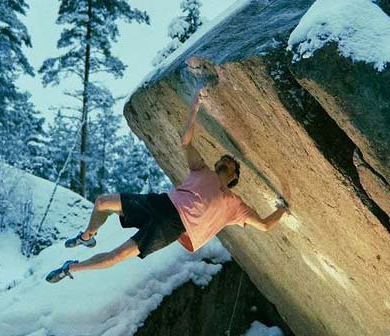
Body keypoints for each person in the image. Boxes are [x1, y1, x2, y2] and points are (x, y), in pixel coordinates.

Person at [45, 87, 289, 283]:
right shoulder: (201, 169)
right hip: (162, 203)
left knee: (118, 255)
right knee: (102, 202)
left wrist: (283, 207)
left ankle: (71, 269)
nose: (223, 161)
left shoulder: (235, 205)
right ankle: (88, 236)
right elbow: (186, 142)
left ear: (234, 176)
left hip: (173, 227)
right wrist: (195, 105)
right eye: (222, 159)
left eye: (229, 163)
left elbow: (266, 225)